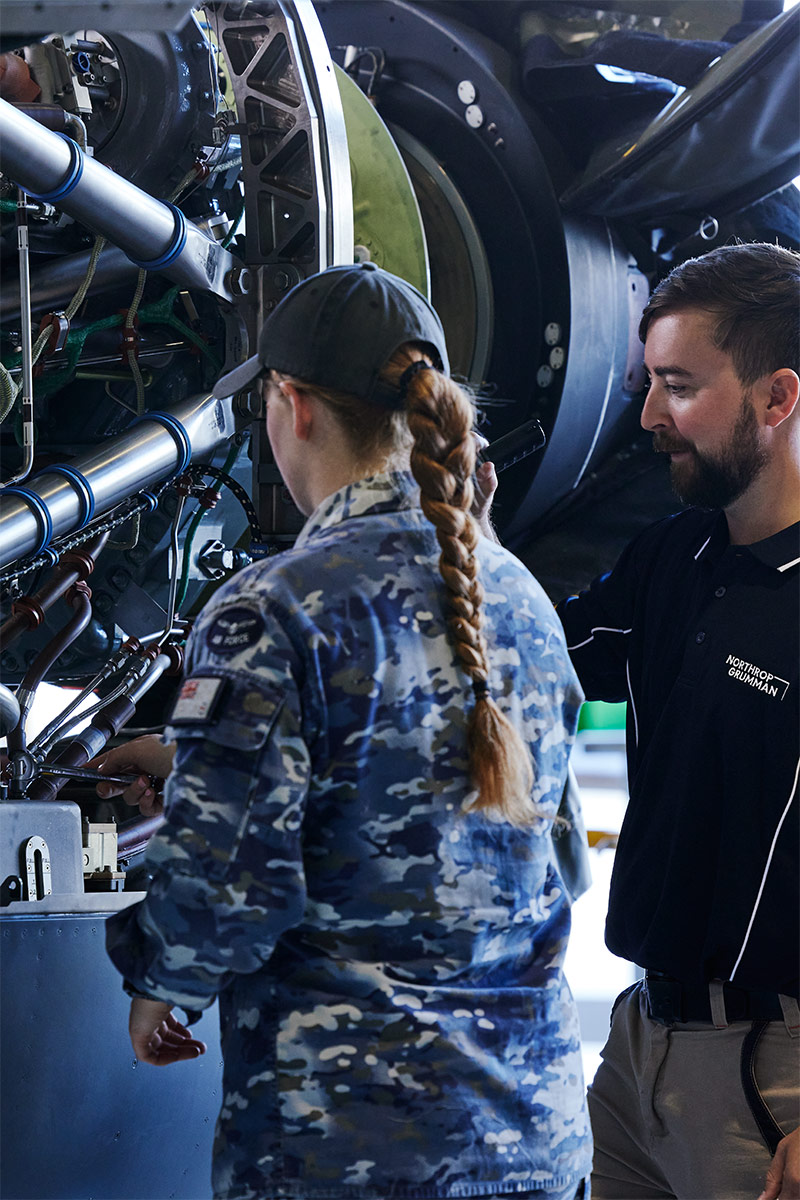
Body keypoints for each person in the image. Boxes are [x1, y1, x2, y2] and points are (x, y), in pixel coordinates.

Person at [98, 262, 592, 1200]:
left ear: (292, 405)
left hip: (350, 1146)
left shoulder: (274, 609)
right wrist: (193, 757)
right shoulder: (519, 600)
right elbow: (551, 857)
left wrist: (159, 982)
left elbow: (229, 882)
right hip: (532, 1136)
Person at [492, 241, 798, 1200]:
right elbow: (528, 667)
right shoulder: (675, 557)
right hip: (639, 1046)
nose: (650, 415)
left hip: (773, 1071)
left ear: (777, 399)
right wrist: (470, 545)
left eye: (678, 386)